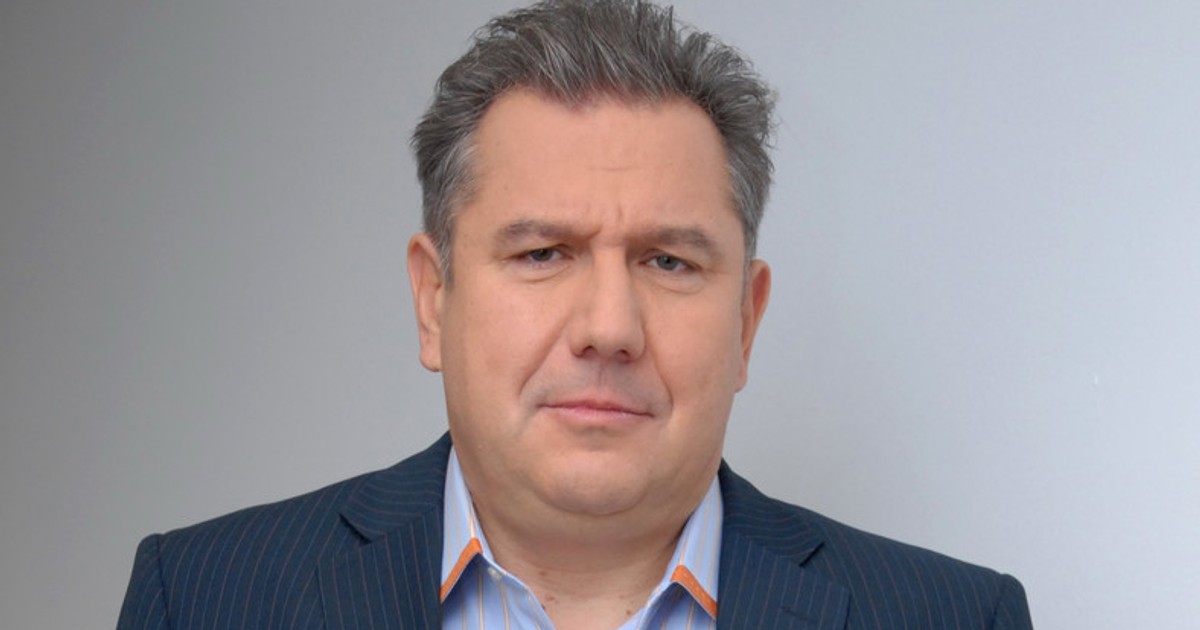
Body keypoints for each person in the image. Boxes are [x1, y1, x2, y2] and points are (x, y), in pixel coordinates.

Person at [117, 1, 1033, 628]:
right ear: (433, 300)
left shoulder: (954, 617)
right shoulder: (202, 599)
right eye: (543, 254)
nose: (609, 327)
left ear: (745, 322)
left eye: (668, 261)